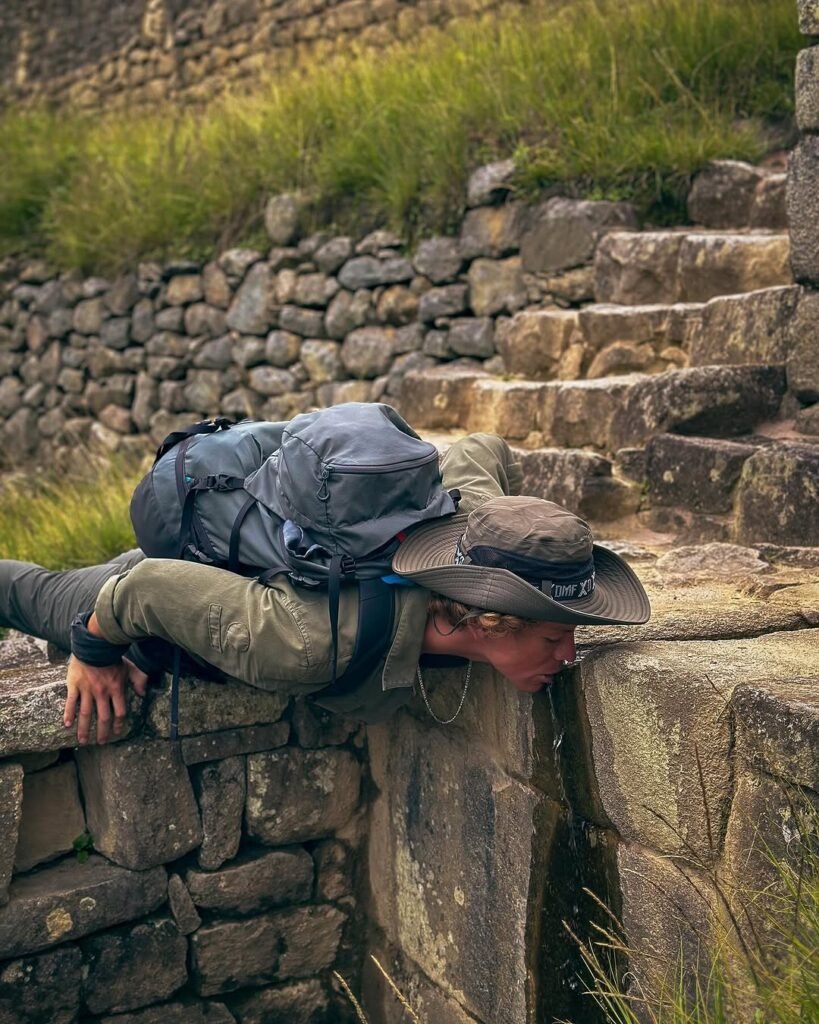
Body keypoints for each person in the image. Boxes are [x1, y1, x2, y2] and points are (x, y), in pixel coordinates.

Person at [0, 432, 650, 745]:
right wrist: (92, 653)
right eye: (554, 633)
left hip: (250, 572)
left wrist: (518, 535)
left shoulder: (469, 528)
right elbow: (144, 590)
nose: (568, 654)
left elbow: (480, 447)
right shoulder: (312, 643)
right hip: (164, 593)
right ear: (487, 619)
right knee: (30, 596)